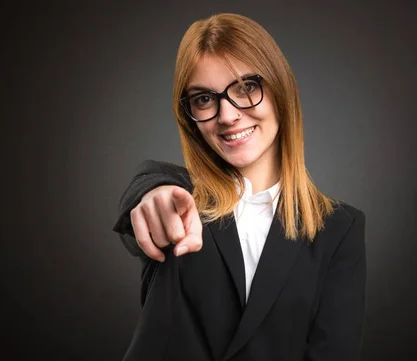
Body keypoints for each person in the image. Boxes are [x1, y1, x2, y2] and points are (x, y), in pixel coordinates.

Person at [112, 13, 367, 361]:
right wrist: (153, 199)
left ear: (280, 90)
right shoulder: (178, 196)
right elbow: (147, 194)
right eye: (204, 99)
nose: (227, 115)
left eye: (246, 88)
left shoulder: (339, 228)